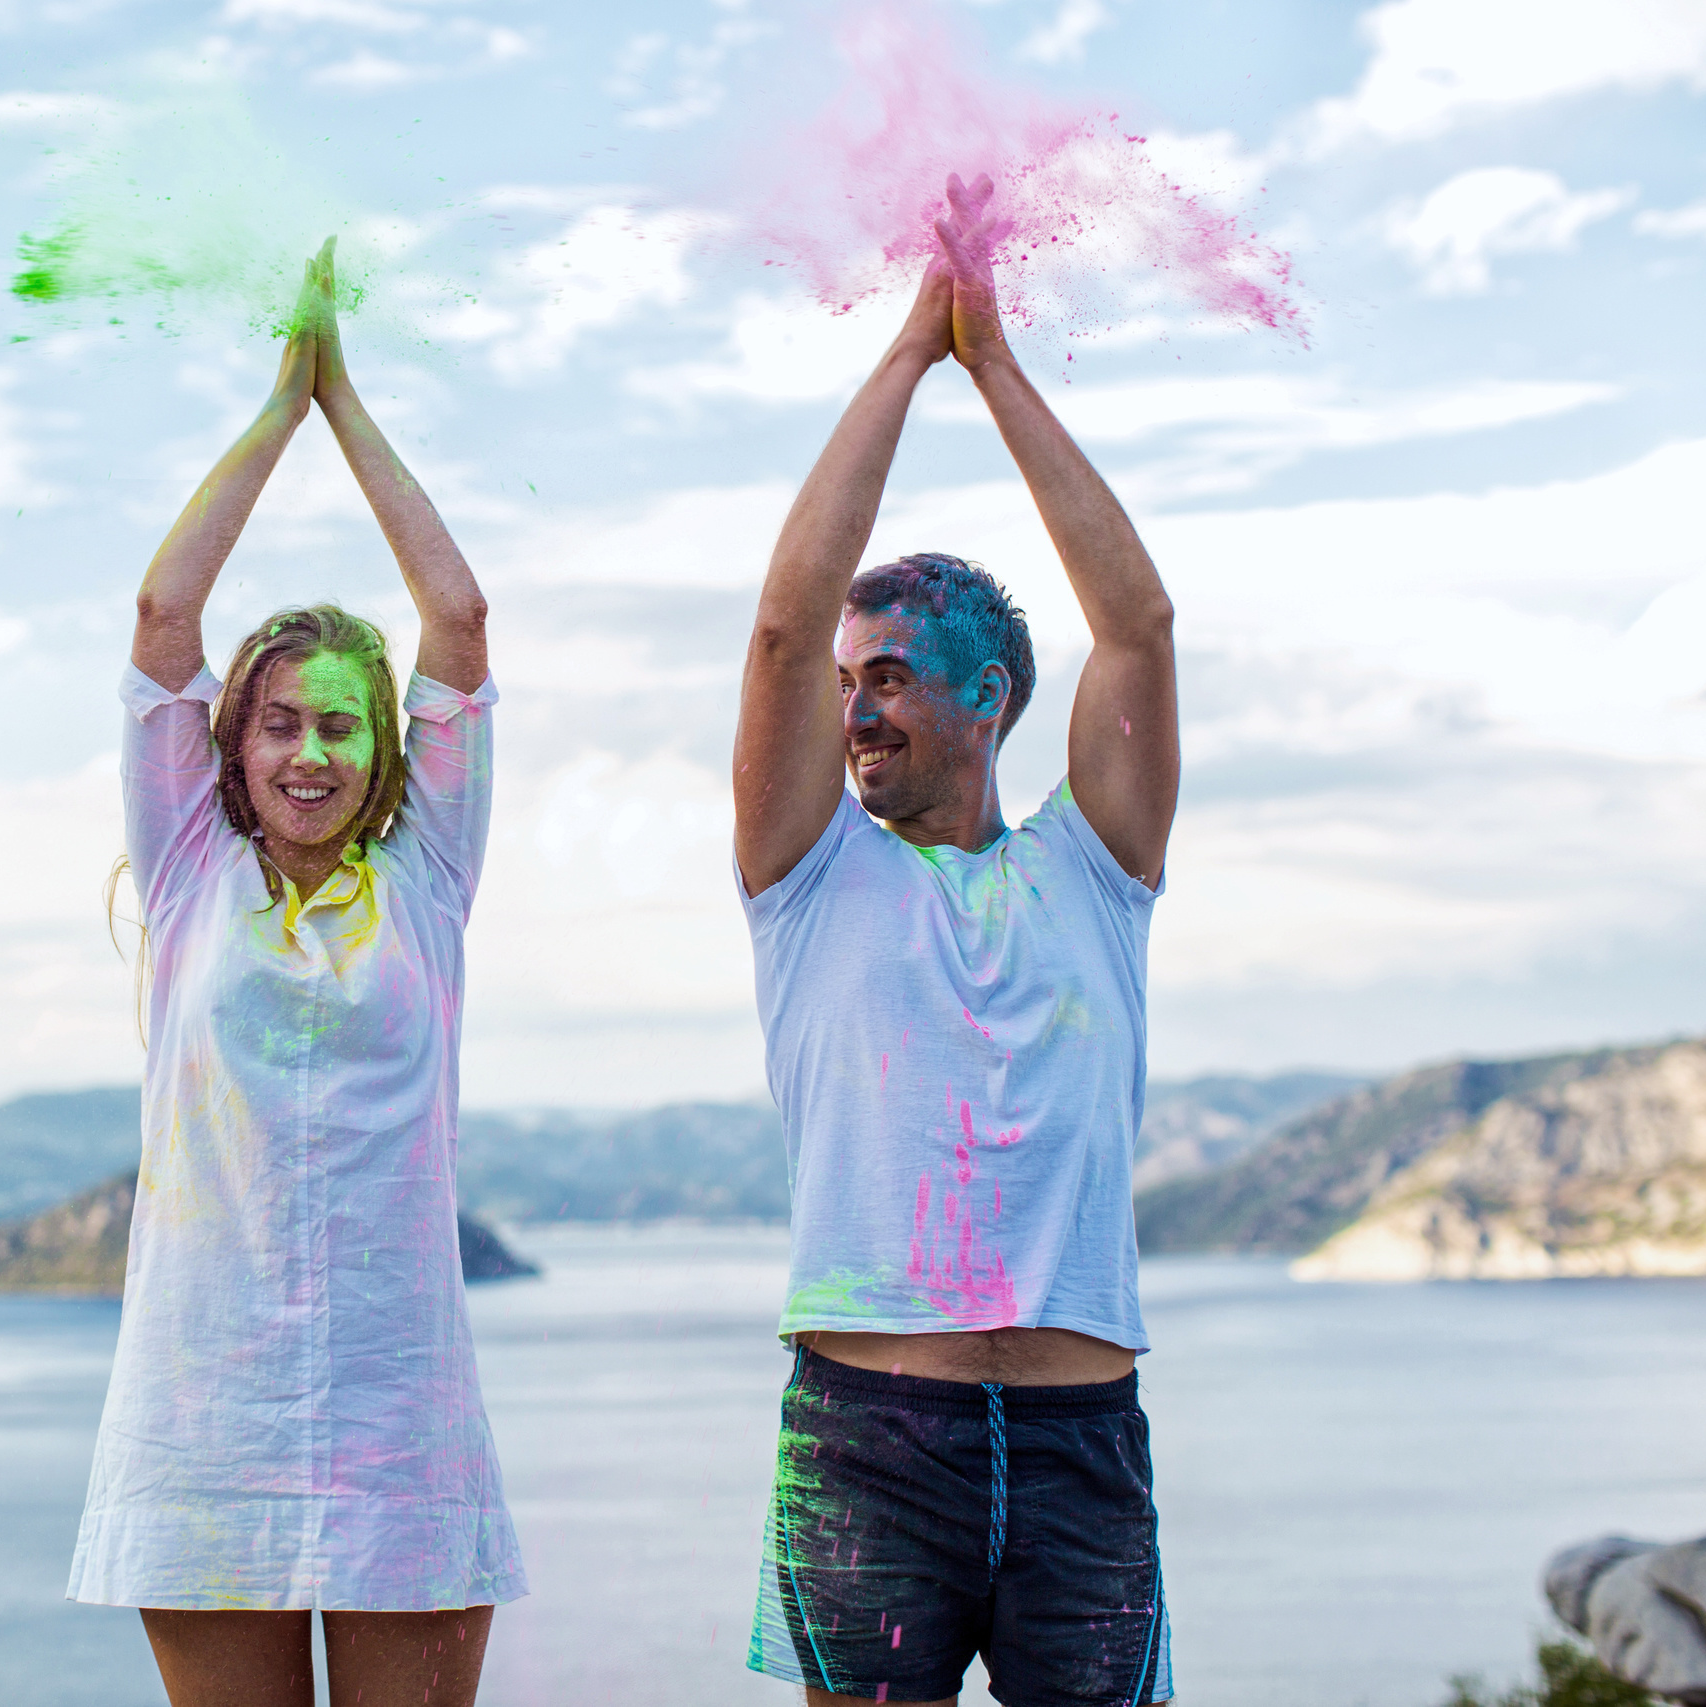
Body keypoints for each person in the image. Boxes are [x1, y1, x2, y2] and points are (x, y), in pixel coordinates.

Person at [731, 175, 1183, 1707]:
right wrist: (905, 354)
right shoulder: (806, 873)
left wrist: (993, 366)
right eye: (850, 680)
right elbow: (784, 631)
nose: (855, 705)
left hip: (1081, 1441)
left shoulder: (1097, 871)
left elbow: (1139, 628)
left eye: (899, 675)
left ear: (990, 697)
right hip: (868, 1438)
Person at [66, 239, 523, 1707]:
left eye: (339, 725)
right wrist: (279, 406)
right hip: (211, 1415)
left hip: (402, 1415)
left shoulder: (430, 878)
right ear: (232, 750)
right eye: (275, 726)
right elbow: (158, 627)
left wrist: (351, 405)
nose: (309, 754)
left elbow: (457, 622)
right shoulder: (194, 874)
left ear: (387, 749)